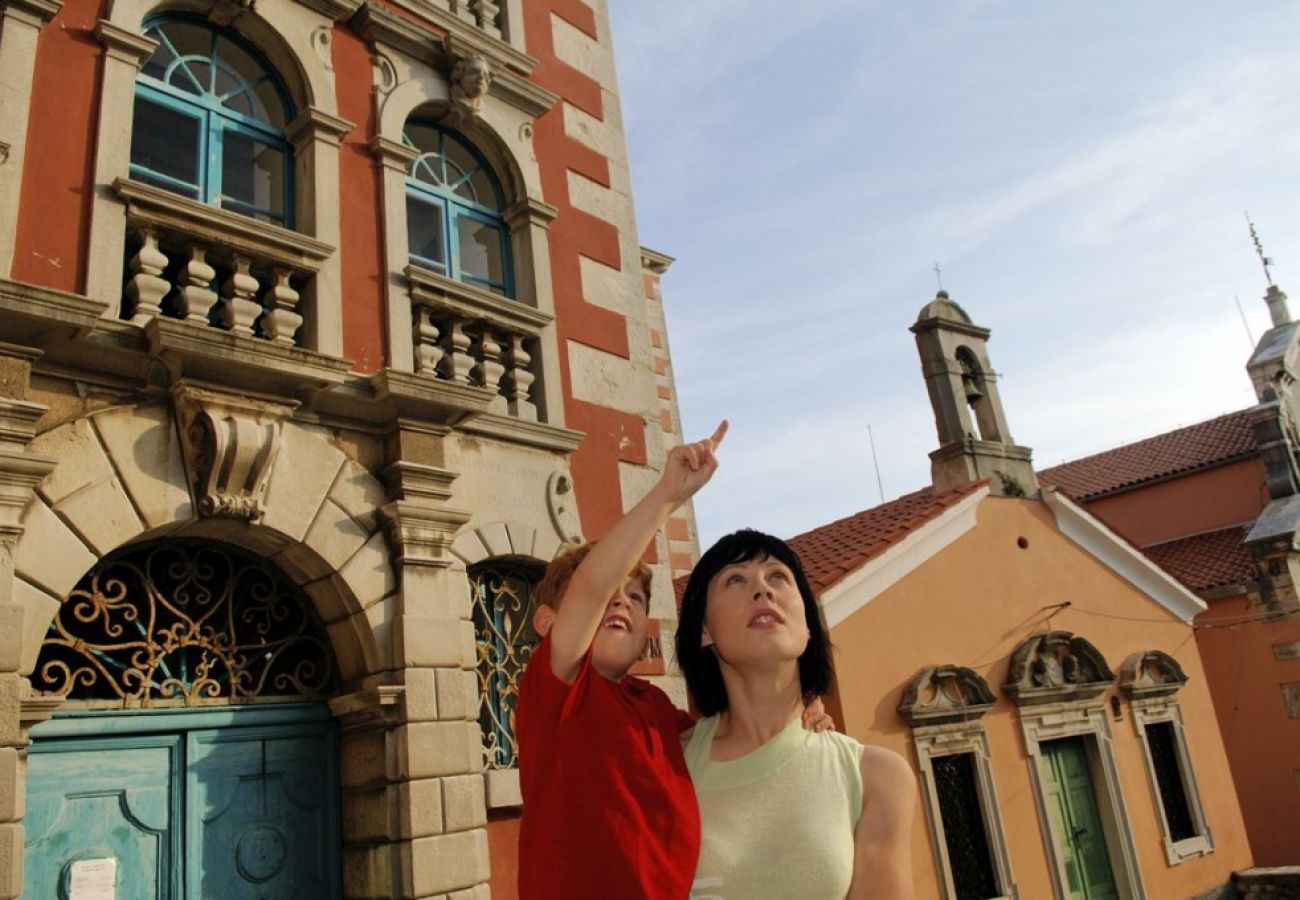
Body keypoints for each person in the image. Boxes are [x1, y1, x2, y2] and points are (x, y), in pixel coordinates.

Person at [514, 423, 727, 900]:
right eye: (610, 593)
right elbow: (591, 586)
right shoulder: (556, 692)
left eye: (635, 597)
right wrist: (668, 496)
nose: (622, 603)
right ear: (549, 624)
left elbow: (730, 738)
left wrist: (802, 715)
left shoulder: (654, 705)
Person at [675, 528, 917, 900]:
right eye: (735, 579)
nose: (762, 590)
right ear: (704, 630)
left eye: (778, 576)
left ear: (807, 626)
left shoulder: (876, 778)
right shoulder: (668, 767)